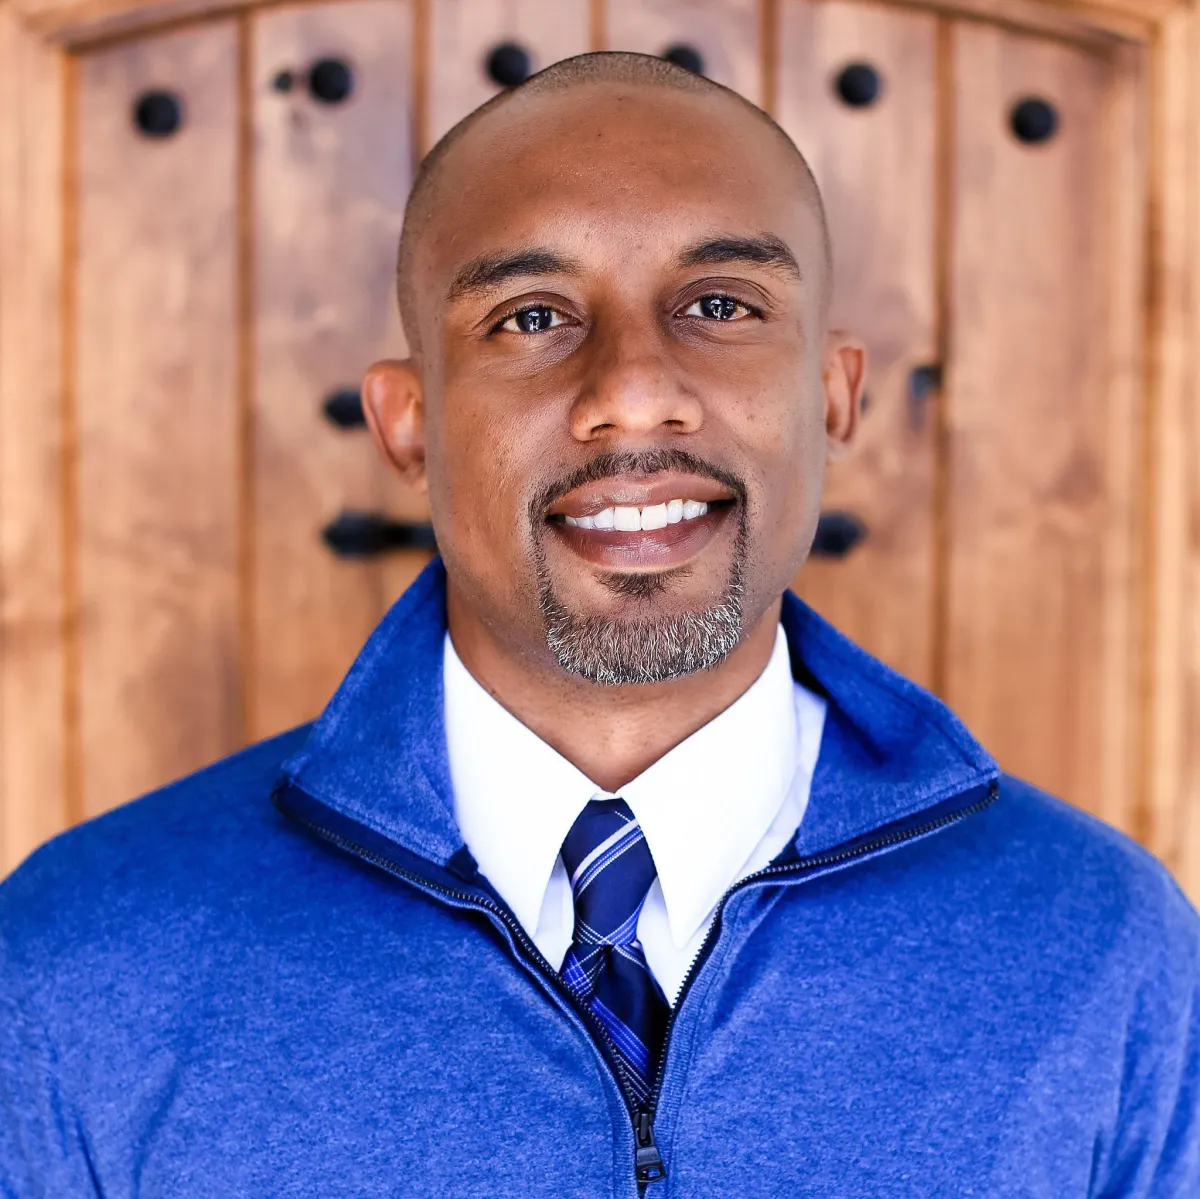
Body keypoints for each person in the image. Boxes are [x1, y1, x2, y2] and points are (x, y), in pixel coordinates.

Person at [1, 51, 1197, 1198]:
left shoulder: (1104, 949)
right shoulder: (77, 963)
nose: (632, 389)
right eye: (531, 317)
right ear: (409, 422)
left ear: (832, 395)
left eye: (720, 304)